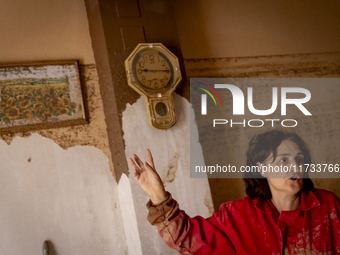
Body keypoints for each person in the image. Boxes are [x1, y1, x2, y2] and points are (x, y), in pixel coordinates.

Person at [128, 130, 340, 254]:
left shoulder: (329, 206)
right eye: (283, 159)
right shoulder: (236, 215)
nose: (295, 166)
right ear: (262, 169)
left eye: (299, 159)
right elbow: (188, 237)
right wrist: (158, 194)